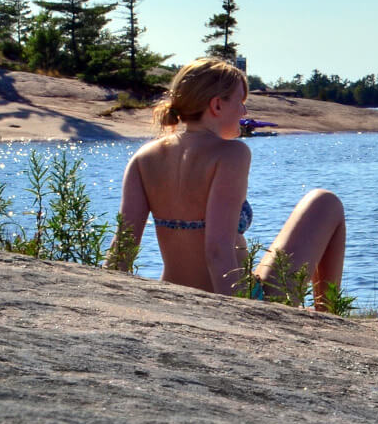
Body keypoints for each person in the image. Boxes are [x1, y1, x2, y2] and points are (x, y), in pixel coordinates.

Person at [109, 57, 348, 310]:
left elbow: (122, 248)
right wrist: (238, 317)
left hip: (174, 298)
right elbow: (217, 249)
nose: (244, 112)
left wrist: (108, 300)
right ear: (216, 105)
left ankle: (327, 319)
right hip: (233, 300)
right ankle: (329, 317)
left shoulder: (143, 157)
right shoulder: (231, 154)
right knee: (324, 202)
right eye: (240, 102)